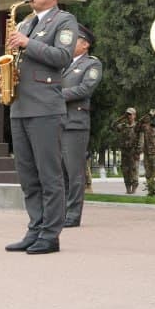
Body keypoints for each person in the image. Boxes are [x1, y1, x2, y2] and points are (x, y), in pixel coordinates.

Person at [3, 0, 79, 255]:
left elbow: (61, 57)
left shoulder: (64, 21)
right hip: (20, 106)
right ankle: (34, 229)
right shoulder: (24, 23)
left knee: (49, 175)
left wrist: (26, 43)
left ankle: (50, 234)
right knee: (28, 175)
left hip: (46, 107)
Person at [60, 24, 103, 227]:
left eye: (75, 39)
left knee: (73, 171)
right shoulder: (62, 63)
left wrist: (56, 96)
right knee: (58, 171)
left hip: (75, 124)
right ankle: (59, 212)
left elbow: (85, 89)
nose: (69, 42)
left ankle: (73, 215)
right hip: (56, 122)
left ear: (85, 45)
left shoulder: (92, 65)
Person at [113, 108, 141, 193]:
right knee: (125, 170)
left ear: (134, 115)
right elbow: (113, 125)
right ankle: (128, 188)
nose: (128, 116)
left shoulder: (137, 126)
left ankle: (134, 189)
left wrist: (138, 152)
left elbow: (140, 139)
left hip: (133, 152)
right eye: (127, 114)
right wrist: (121, 118)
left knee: (134, 169)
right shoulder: (123, 126)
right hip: (125, 152)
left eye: (130, 114)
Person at [140, 110, 155, 196]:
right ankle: (151, 191)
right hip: (146, 154)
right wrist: (148, 114)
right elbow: (138, 126)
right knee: (148, 174)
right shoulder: (146, 127)